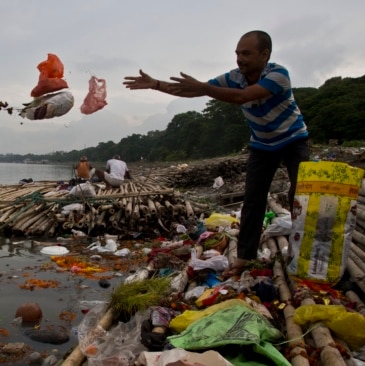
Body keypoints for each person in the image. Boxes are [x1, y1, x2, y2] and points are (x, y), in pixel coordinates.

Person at [124, 30, 309, 277]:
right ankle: (244, 257)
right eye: (237, 53)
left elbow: (241, 97)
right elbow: (192, 90)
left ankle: (303, 252)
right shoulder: (235, 77)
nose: (239, 59)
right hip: (262, 144)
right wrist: (156, 85)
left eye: (246, 53)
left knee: (301, 196)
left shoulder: (277, 75)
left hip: (293, 139)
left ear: (264, 54)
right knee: (253, 199)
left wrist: (203, 87)